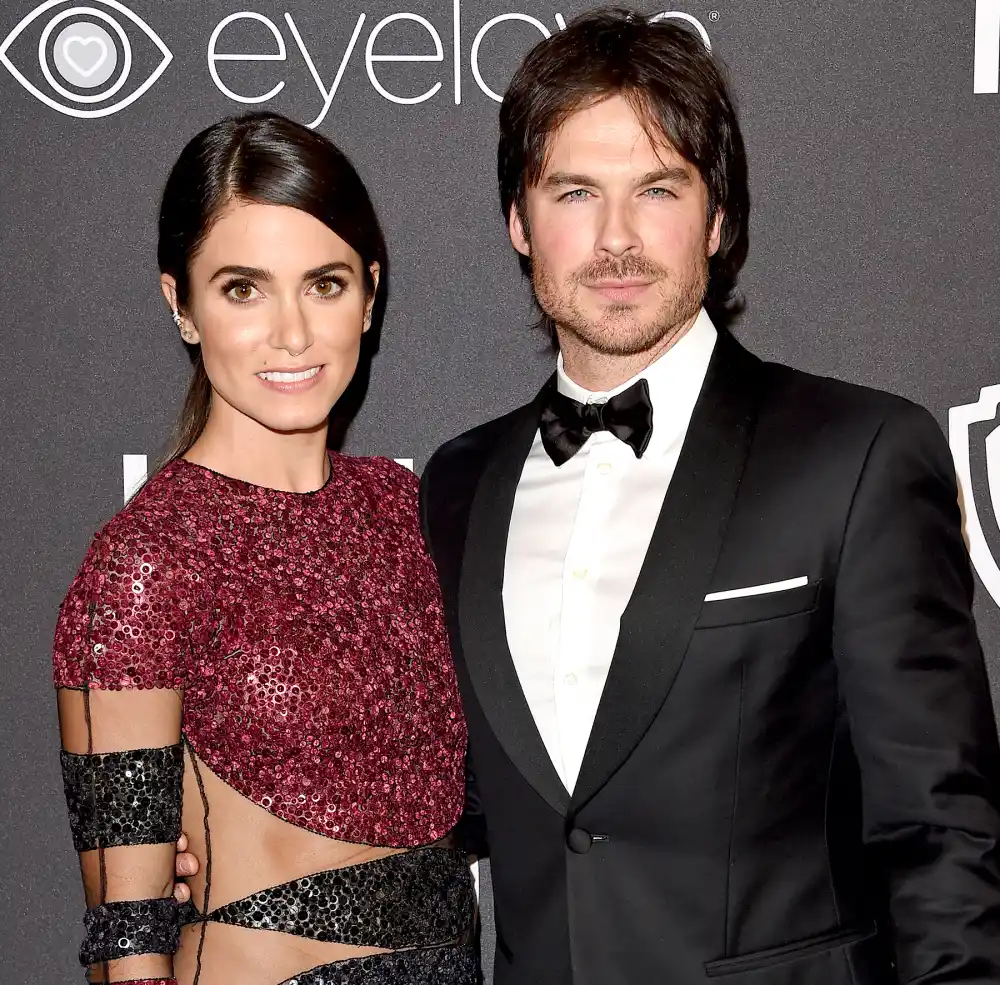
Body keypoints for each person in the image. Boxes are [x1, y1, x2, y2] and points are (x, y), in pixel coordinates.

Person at [417, 9, 1000, 985]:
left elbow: (941, 836)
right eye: (574, 192)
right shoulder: (457, 485)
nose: (614, 239)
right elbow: (457, 803)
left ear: (717, 217)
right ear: (518, 220)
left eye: (655, 189)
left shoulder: (855, 455)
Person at [53, 112, 476, 985]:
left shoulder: (414, 511)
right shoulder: (144, 562)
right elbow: (126, 942)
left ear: (371, 292)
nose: (292, 333)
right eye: (243, 288)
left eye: (324, 284)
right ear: (181, 304)